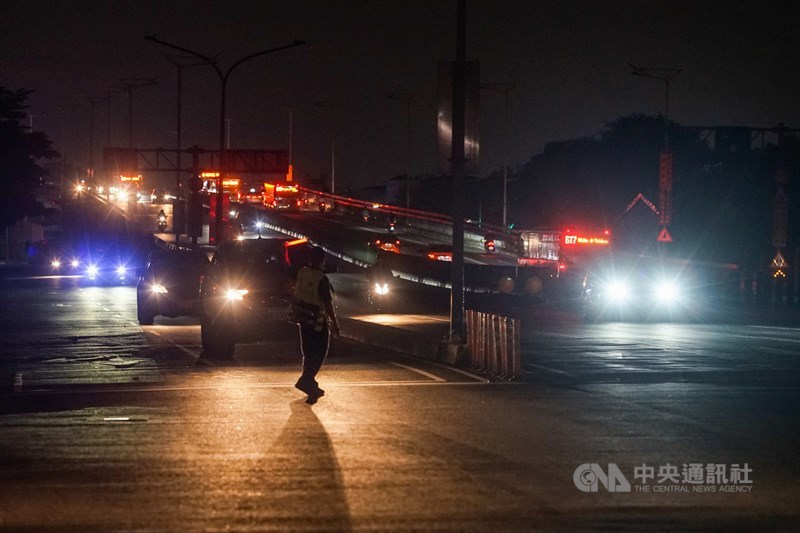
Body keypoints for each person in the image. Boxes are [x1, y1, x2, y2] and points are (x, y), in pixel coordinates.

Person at [292, 246, 340, 403]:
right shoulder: (321, 278)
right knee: (319, 353)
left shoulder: (302, 272)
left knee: (308, 352)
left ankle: (311, 384)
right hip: (317, 323)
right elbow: (327, 304)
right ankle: (306, 380)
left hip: (303, 320)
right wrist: (335, 324)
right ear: (322, 260)